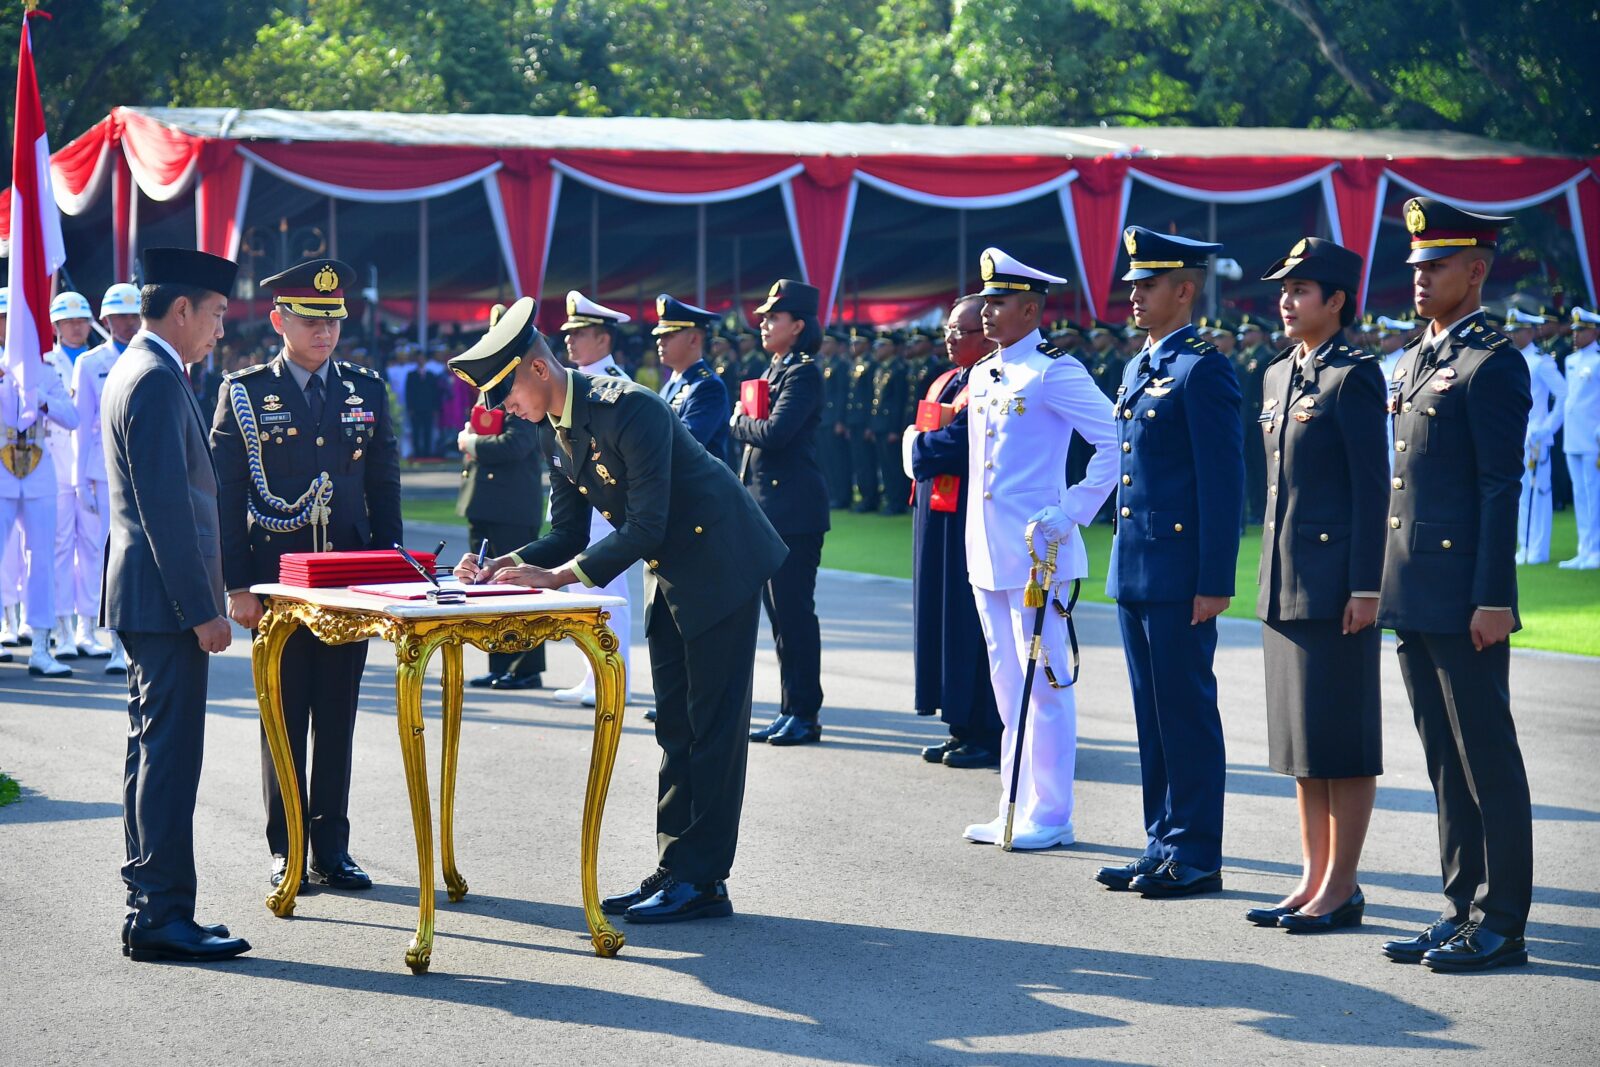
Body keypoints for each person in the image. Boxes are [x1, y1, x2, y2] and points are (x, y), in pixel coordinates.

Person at [450, 297, 786, 922]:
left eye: (506, 393)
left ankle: (704, 880)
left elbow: (647, 524)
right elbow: (567, 534)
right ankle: (674, 867)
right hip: (674, 575)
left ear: (539, 370)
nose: (504, 411)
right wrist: (504, 565)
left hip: (721, 564)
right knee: (675, 726)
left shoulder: (628, 407)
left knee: (712, 729)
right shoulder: (559, 428)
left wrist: (556, 578)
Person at [210, 259, 402, 892]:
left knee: (338, 715)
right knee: (284, 715)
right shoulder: (243, 392)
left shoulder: (365, 389)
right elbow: (226, 492)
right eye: (310, 318)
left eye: (333, 319)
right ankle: (286, 846)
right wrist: (236, 585)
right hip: (277, 583)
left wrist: (395, 570)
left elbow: (383, 486)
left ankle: (333, 847)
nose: (325, 331)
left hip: (348, 580)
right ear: (278, 320)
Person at [1377, 197, 1533, 973]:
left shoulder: (1493, 361)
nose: (1420, 277)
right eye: (1415, 267)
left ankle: (1503, 917)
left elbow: (1499, 487)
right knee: (1443, 755)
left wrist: (1495, 596)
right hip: (1416, 587)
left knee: (1485, 756)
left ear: (1476, 272)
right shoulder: (1414, 359)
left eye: (1435, 265)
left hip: (1468, 593)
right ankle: (1460, 903)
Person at [103, 247, 249, 963]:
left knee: (152, 752)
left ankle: (152, 904)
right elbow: (166, 510)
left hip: (147, 599)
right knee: (168, 756)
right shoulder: (156, 378)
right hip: (166, 605)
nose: (219, 330)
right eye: (216, 315)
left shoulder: (143, 368)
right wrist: (204, 609)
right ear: (183, 308)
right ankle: (161, 912)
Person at [1098, 226, 1243, 897]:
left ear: (1184, 290)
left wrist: (1215, 579)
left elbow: (1224, 482)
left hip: (1181, 573)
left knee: (1184, 709)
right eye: (1132, 283)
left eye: (1147, 284)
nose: (1133, 294)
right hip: (1136, 567)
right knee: (1150, 713)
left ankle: (1196, 851)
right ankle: (1161, 839)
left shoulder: (1202, 369)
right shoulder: (1139, 366)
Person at [1247, 238, 1388, 932]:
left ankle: (1343, 883)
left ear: (1336, 300)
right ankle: (1311, 876)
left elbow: (1370, 490)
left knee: (1343, 739)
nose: (1287, 300)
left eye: (1301, 290)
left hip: (1337, 587)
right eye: (1284, 289)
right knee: (1303, 745)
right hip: (1283, 582)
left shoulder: (1354, 375)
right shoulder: (1279, 374)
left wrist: (1367, 585)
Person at [962, 248, 1117, 850]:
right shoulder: (984, 371)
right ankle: (1013, 803)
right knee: (1006, 683)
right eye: (986, 301)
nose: (988, 311)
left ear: (1030, 307)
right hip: (989, 552)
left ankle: (1051, 813)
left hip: (1038, 555)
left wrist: (1073, 509)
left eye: (999, 302)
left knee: (1044, 684)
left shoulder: (1057, 370)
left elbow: (1114, 440)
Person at [903, 294, 1003, 770]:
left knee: (968, 621)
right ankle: (958, 724)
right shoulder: (949, 379)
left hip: (969, 513)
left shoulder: (992, 378)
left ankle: (985, 729)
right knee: (941, 617)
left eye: (961, 330)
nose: (950, 337)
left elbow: (962, 439)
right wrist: (922, 445)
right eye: (948, 329)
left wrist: (918, 447)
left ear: (986, 334)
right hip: (937, 512)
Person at [730, 281, 831, 747]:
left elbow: (777, 433)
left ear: (799, 325)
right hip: (768, 511)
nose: (764, 323)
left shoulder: (804, 373)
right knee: (779, 616)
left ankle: (805, 714)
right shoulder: (775, 368)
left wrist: (737, 423)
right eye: (765, 316)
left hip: (793, 510)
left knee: (794, 615)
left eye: (775, 317)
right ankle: (789, 709)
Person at [554, 291, 637, 705]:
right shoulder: (576, 382)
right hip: (584, 506)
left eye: (580, 333)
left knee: (606, 598)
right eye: (568, 333)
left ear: (603, 339)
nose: (569, 340)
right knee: (582, 598)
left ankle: (613, 680)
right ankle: (592, 678)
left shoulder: (616, 382)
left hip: (608, 505)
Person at [1, 291, 81, 678]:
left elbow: (73, 416)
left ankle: (41, 647)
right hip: (1, 476)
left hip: (38, 475)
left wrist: (42, 399)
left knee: (42, 562)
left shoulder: (44, 370)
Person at [73, 283, 143, 675]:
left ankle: (130, 640)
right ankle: (114, 642)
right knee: (106, 557)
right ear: (106, 321)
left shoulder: (152, 355)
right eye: (120, 317)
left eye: (134, 316)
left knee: (134, 559)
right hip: (101, 474)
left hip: (140, 472)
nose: (128, 323)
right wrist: (80, 479)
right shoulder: (90, 363)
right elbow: (82, 426)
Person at [457, 391, 546, 690]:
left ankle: (526, 668)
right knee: (487, 590)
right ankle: (500, 664)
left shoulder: (519, 395)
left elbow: (515, 444)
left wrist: (470, 443)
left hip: (512, 508)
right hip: (485, 504)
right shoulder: (490, 395)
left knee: (518, 589)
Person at [43, 292, 98, 662]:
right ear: (56, 326)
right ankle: (62, 631)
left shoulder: (101, 359)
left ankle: (89, 629)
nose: (76, 327)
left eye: (81, 320)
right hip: (55, 466)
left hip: (94, 468)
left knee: (95, 550)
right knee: (60, 548)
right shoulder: (43, 362)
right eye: (69, 321)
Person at [1504, 308, 1566, 565]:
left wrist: (1547, 427)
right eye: (1511, 330)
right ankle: (1525, 546)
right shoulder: (1511, 358)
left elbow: (1563, 394)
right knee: (1521, 494)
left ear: (1530, 331)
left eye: (1517, 330)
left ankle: (1538, 550)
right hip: (1517, 435)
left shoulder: (1541, 361)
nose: (1513, 335)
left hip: (1536, 436)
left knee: (1539, 493)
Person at [654, 294, 731, 466]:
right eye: (660, 335)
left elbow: (687, 443)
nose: (660, 342)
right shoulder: (672, 384)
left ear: (694, 339)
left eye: (669, 335)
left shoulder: (707, 386)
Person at [1559, 308, 1599, 569]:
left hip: (1594, 438)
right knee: (1580, 494)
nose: (1575, 335)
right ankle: (1584, 548)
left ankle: (1595, 550)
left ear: (1594, 331)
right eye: (1574, 330)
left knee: (1594, 495)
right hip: (1574, 436)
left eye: (1581, 330)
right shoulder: (1571, 361)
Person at [869, 332, 911, 515]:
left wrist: (895, 429)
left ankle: (897, 502)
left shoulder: (899, 369)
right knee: (885, 466)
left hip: (890, 426)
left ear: (892, 347)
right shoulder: (881, 369)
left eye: (882, 345)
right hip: (880, 424)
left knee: (894, 466)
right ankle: (890, 499)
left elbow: (899, 403)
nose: (878, 349)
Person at [844, 331, 878, 512]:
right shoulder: (856, 364)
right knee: (859, 461)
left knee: (867, 461)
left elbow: (872, 397)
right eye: (853, 342)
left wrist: (870, 425)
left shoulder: (871, 365)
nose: (854, 346)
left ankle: (871, 498)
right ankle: (865, 496)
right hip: (855, 421)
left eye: (859, 342)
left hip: (865, 421)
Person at [404, 350, 441, 457]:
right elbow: (408, 392)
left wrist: (435, 408)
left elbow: (435, 393)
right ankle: (417, 453)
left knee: (427, 431)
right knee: (416, 431)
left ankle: (427, 453)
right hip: (415, 408)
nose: (420, 361)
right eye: (418, 358)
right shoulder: (411, 375)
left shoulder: (431, 375)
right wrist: (410, 408)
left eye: (422, 359)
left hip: (428, 408)